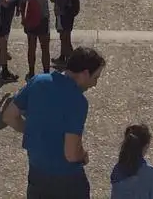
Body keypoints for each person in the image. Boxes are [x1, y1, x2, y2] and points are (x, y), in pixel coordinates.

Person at [6, 46, 105, 199]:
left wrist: (34, 130)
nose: (94, 84)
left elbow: (9, 116)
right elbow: (71, 154)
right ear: (85, 74)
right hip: (67, 182)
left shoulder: (38, 81)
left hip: (37, 173)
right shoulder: (77, 101)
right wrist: (83, 155)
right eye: (95, 78)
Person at [22, 0, 54, 76]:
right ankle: (46, 72)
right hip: (43, 21)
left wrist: (23, 18)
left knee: (31, 48)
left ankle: (31, 71)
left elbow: (22, 3)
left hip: (31, 21)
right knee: (45, 49)